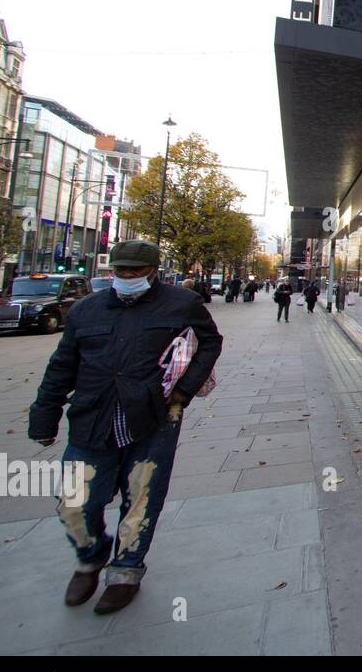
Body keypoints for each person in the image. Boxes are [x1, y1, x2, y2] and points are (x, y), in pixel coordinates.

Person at [28, 240, 223, 614]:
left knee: (143, 497)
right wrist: (44, 415)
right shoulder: (86, 311)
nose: (127, 276)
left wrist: (183, 391)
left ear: (152, 270)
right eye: (120, 270)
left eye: (135, 270)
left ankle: (125, 571)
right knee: (75, 501)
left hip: (154, 417)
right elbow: (61, 367)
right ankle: (90, 555)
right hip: (92, 417)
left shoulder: (181, 304)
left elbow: (209, 344)